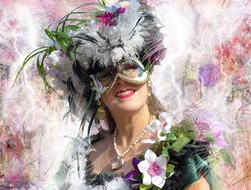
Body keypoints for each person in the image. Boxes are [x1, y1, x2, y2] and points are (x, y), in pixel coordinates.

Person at [15, 0, 230, 189]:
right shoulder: (78, 158)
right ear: (96, 92)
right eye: (107, 74)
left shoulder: (183, 151)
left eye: (129, 67)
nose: (121, 80)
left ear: (147, 78)